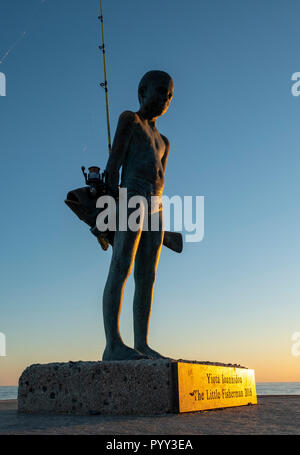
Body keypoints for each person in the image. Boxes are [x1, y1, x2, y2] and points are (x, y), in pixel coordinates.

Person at [102, 70, 174, 360]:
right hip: (131, 196)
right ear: (142, 91)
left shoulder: (164, 142)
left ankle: (141, 343)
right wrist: (105, 219)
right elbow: (112, 168)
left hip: (156, 206)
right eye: (160, 91)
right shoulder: (129, 120)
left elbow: (161, 179)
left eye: (169, 95)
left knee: (147, 276)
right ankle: (113, 344)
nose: (164, 99)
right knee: (121, 266)